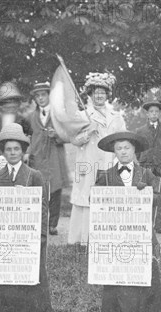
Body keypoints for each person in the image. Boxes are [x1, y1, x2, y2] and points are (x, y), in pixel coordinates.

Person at [95, 131, 161, 312]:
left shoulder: (146, 174)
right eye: (119, 149)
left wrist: (146, 194)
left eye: (127, 147)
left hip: (142, 234)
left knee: (144, 273)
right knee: (116, 275)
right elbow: (95, 201)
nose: (123, 152)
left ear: (134, 150)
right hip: (116, 235)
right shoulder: (106, 176)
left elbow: (160, 199)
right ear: (114, 152)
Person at [0, 123, 53, 312]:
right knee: (5, 276)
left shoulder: (34, 176)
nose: (13, 153)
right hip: (4, 237)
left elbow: (43, 208)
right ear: (3, 152)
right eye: (8, 149)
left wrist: (41, 237)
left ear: (23, 151)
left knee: (31, 276)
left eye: (17, 149)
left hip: (29, 238)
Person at [67, 73, 126, 245]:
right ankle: (81, 240)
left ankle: (103, 239)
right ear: (90, 95)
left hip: (108, 161)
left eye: (102, 92)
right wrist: (87, 133)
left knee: (106, 198)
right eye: (95, 92)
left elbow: (122, 139)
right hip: (87, 162)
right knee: (85, 198)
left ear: (108, 95)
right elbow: (73, 140)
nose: (99, 95)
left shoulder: (116, 116)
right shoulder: (82, 115)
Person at [25, 81, 69, 236]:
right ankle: (40, 223)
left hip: (54, 156)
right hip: (38, 157)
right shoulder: (31, 117)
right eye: (37, 96)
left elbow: (68, 136)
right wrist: (28, 152)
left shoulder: (58, 115)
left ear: (48, 96)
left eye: (43, 95)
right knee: (38, 190)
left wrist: (56, 135)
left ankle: (52, 224)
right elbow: (29, 137)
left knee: (55, 190)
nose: (40, 98)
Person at [136, 100, 161, 174]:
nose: (154, 114)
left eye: (156, 111)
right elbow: (137, 150)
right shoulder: (140, 131)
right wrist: (143, 159)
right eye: (151, 111)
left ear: (159, 114)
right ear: (147, 114)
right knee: (146, 184)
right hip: (145, 165)